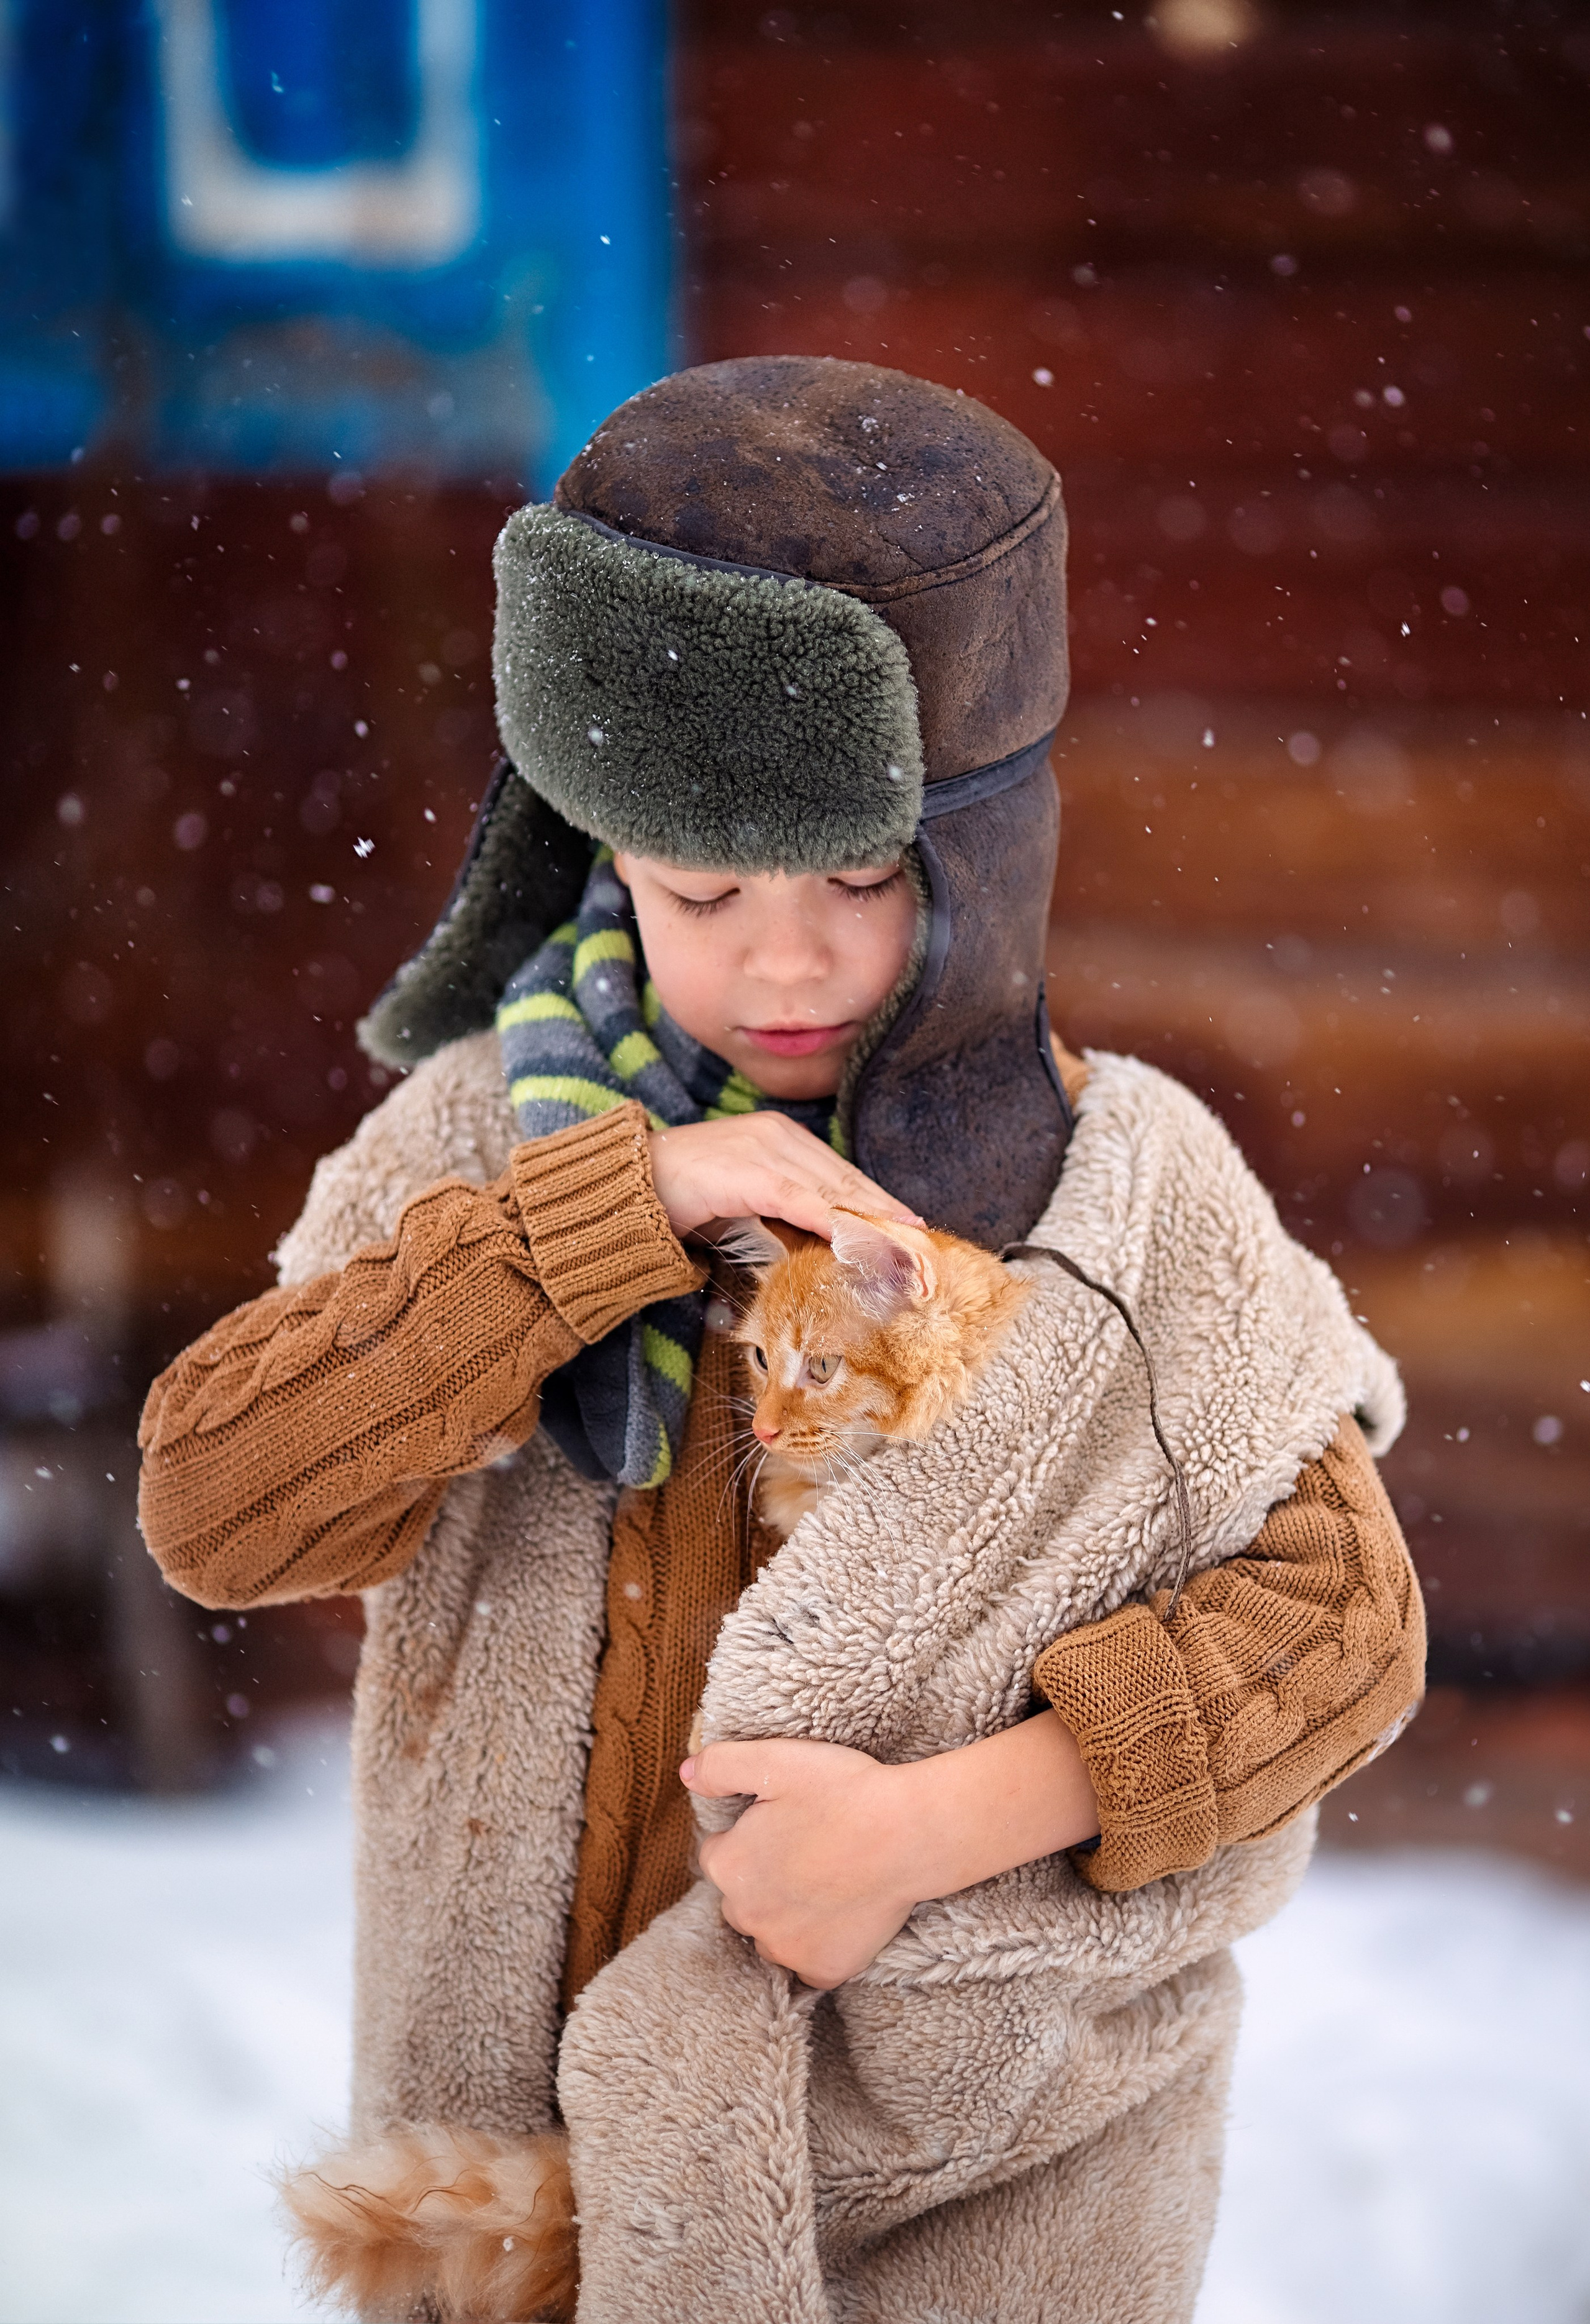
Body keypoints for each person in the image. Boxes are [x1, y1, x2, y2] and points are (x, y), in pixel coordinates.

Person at [138, 357, 1424, 2320]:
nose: (791, 960)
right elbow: (222, 1509)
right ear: (597, 849)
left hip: (991, 2188)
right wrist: (606, 1219)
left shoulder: (1126, 1190)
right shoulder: (487, 1144)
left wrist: (941, 1825)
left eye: (868, 878)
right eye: (702, 889)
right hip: (521, 2197)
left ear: (989, 856)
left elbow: (1347, 1626)